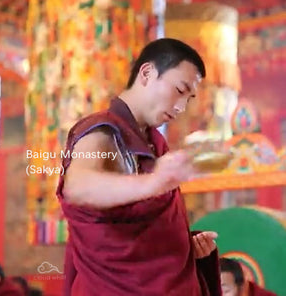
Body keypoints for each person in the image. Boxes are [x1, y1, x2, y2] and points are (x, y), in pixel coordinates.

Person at [57, 38, 221, 295]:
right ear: (147, 73)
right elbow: (78, 186)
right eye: (179, 90)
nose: (180, 107)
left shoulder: (155, 143)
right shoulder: (102, 130)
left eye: (188, 99)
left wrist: (182, 247)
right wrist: (153, 182)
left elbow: (145, 230)